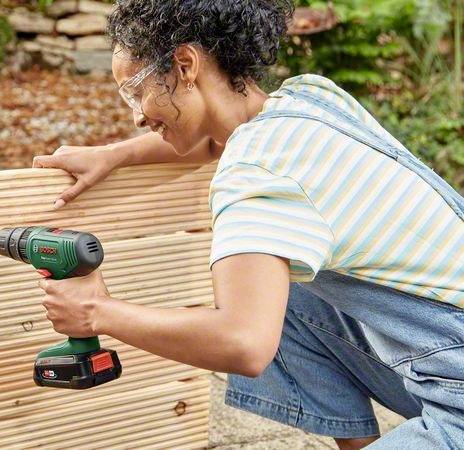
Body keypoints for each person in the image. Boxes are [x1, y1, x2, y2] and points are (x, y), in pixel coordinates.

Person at [31, 1, 464, 449]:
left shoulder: (255, 171)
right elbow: (215, 141)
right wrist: (114, 154)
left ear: (185, 65)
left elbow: (244, 343)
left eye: (137, 92)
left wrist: (98, 313)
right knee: (282, 292)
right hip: (441, 360)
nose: (137, 115)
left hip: (455, 382)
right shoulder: (308, 99)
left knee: (252, 307)